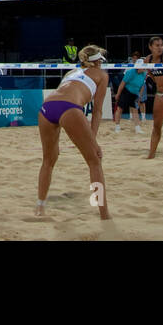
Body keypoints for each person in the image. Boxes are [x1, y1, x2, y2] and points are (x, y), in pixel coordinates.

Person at [36, 45, 110, 220]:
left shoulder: (71, 73)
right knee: (95, 160)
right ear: (98, 61)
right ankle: (104, 214)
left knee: (48, 160)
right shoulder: (102, 75)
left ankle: (40, 207)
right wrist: (93, 139)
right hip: (68, 107)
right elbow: (97, 111)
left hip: (47, 107)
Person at [113, 52, 148, 134]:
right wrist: (118, 94)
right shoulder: (130, 72)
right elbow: (122, 84)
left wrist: (140, 96)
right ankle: (117, 127)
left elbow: (142, 85)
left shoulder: (144, 74)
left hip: (135, 93)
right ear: (138, 67)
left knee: (135, 110)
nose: (144, 68)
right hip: (126, 91)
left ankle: (137, 128)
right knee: (119, 109)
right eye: (142, 67)